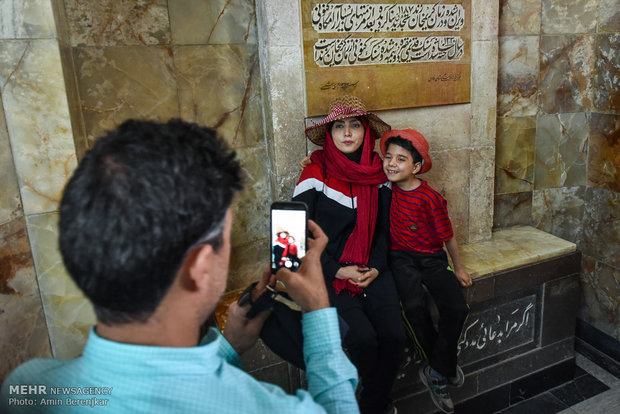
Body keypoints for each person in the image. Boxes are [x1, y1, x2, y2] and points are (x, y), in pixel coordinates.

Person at [0, 119, 359, 414]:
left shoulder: (29, 390)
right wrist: (318, 311)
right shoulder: (266, 407)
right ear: (200, 268)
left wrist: (228, 345)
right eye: (225, 242)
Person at [293, 96, 406, 414]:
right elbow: (292, 236)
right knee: (363, 340)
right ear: (329, 135)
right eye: (339, 127)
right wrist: (336, 271)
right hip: (327, 273)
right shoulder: (315, 174)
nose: (347, 133)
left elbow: (384, 231)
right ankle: (375, 404)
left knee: (395, 337)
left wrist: (376, 266)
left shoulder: (380, 175)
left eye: (354, 125)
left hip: (372, 268)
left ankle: (372, 404)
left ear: (366, 132)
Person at [379, 128, 472, 414]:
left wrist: (458, 267)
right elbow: (352, 167)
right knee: (412, 307)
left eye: (401, 159)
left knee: (456, 307)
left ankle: (437, 368)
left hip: (432, 258)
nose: (392, 164)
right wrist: (314, 162)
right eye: (388, 157)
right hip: (401, 259)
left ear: (416, 166)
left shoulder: (430, 198)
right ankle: (441, 367)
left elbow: (447, 236)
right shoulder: (385, 190)